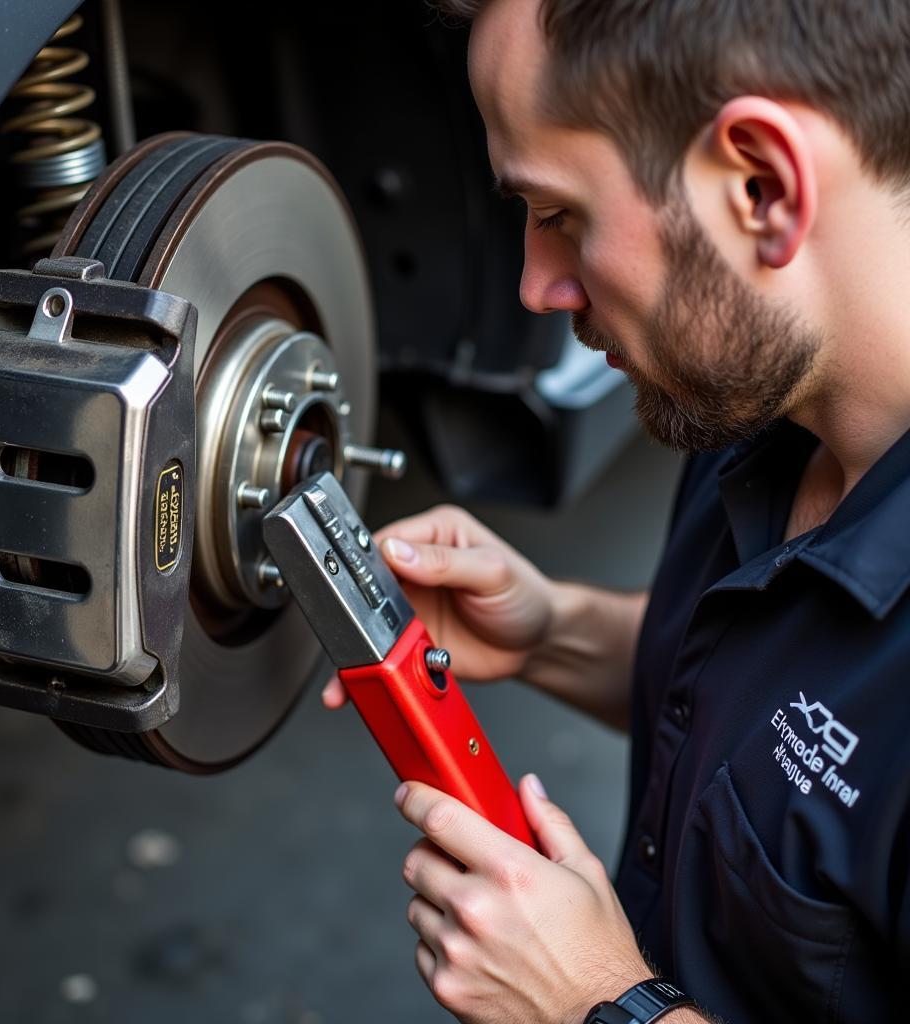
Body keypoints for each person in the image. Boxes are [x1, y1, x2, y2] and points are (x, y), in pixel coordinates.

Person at [322, 0, 910, 1021]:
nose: (534, 285)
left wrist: (596, 1002)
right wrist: (555, 631)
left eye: (558, 216)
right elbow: (790, 728)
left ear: (760, 186)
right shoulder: (763, 403)